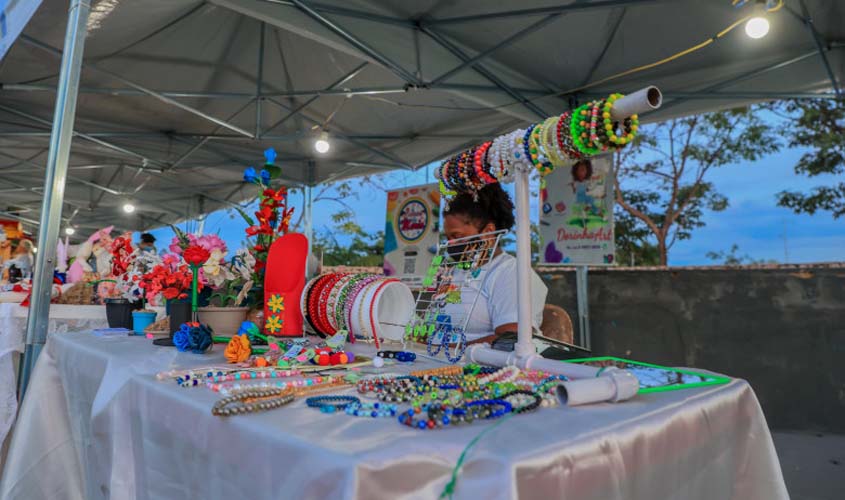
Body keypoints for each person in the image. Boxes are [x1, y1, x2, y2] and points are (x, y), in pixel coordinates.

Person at [442, 183, 548, 343]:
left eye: (457, 236)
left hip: (478, 365)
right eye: (448, 238)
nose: (451, 244)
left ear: (488, 232)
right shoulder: (457, 272)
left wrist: (448, 350)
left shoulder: (512, 274)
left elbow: (510, 339)